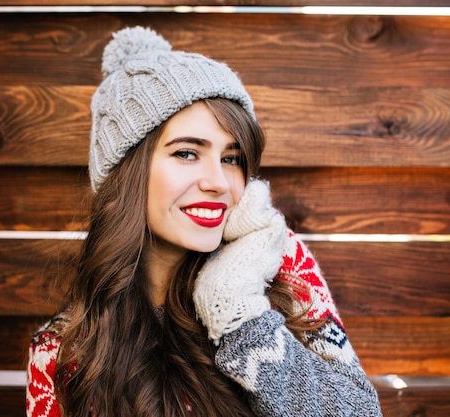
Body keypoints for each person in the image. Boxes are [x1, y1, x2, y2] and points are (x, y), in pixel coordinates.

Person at [26, 26, 382, 417]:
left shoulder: (281, 263)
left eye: (230, 158)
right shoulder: (61, 352)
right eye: (187, 153)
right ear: (127, 172)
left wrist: (240, 317)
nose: (217, 182)